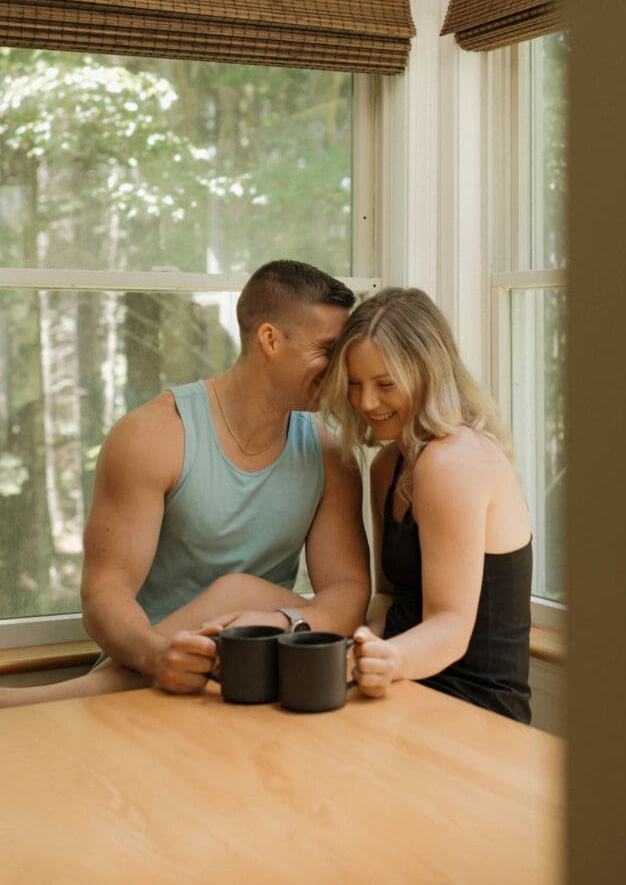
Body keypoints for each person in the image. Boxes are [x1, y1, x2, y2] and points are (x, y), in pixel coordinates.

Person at [0, 259, 371, 708]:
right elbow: (104, 594)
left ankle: (38, 702)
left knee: (241, 592)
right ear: (270, 340)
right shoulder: (153, 436)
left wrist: (283, 621)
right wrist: (159, 656)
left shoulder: (331, 453)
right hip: (144, 673)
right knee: (237, 590)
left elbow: (348, 592)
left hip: (255, 676)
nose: (341, 368)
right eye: (328, 350)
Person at [321, 287, 532, 723]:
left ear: (428, 375)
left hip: (475, 709)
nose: (366, 402)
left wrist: (390, 659)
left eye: (385, 384)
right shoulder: (387, 465)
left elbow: (451, 626)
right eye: (355, 384)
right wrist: (363, 645)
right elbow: (389, 596)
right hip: (407, 689)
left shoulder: (453, 461)